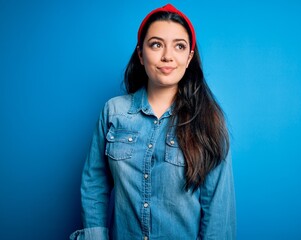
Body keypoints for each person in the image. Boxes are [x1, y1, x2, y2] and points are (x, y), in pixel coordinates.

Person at [70, 3, 236, 240]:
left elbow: (219, 212)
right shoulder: (113, 112)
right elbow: (94, 184)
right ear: (140, 53)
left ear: (189, 57)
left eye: (179, 46)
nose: (167, 56)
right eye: (156, 44)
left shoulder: (209, 121)